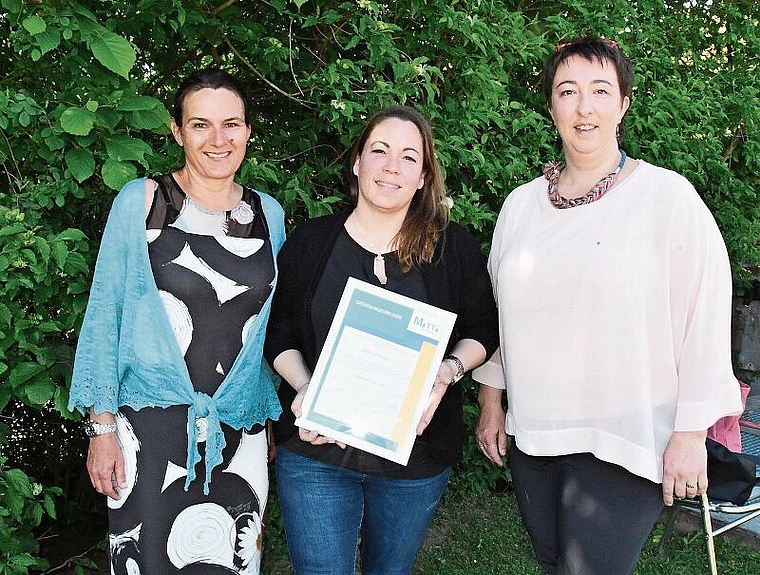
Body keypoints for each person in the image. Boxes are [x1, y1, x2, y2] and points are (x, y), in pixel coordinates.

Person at [473, 37, 743, 574]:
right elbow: (502, 315)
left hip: (627, 436)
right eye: (567, 91)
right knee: (556, 566)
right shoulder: (520, 207)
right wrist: (490, 402)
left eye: (600, 90)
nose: (584, 106)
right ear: (551, 107)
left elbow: (705, 316)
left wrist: (690, 433)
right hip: (537, 434)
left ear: (622, 104)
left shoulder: (668, 199)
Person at [264, 105, 499, 574]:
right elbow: (279, 332)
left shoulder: (453, 248)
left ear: (423, 176)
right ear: (357, 163)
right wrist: (307, 388)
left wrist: (446, 372)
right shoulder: (311, 242)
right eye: (380, 151)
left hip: (414, 458)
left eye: (409, 157)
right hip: (317, 450)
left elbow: (483, 329)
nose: (392, 166)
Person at [68, 68, 285, 574]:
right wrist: (100, 427)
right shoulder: (143, 202)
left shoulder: (268, 214)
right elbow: (106, 314)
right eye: (201, 124)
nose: (218, 139)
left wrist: (266, 415)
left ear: (248, 131)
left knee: (231, 560)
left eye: (231, 124)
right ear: (177, 131)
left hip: (239, 430)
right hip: (148, 429)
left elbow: (268, 326)